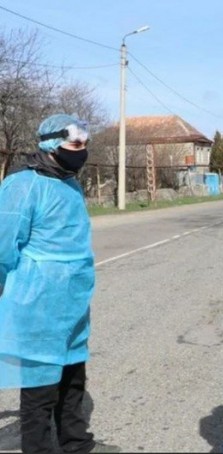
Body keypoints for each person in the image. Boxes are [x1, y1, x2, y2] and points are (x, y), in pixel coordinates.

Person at [0, 114, 119, 453]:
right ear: (51, 143)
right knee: (40, 387)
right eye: (74, 143)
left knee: (73, 376)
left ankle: (76, 443)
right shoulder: (23, 184)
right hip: (36, 299)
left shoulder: (70, 182)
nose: (80, 150)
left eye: (84, 143)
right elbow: (3, 244)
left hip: (72, 300)